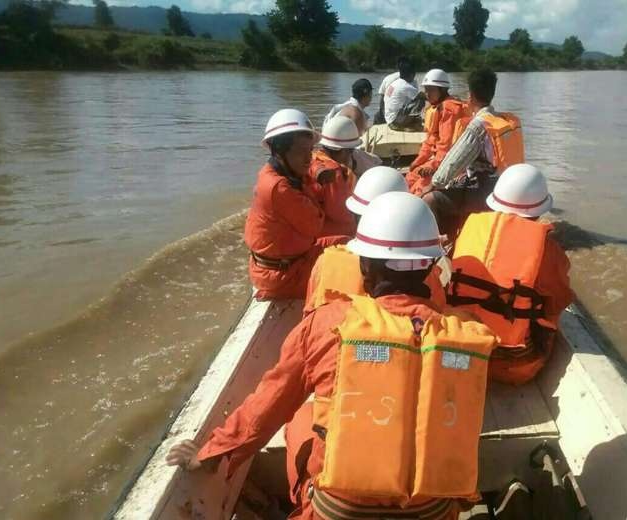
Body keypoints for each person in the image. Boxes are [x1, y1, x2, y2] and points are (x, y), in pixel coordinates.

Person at [167, 192, 497, 520]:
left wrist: (212, 453)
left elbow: (268, 405)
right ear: (429, 266)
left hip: (338, 513)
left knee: (301, 419)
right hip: (433, 513)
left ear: (365, 267)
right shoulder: (466, 332)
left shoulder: (327, 323)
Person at [447, 164, 574, 386]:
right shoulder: (547, 248)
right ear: (539, 210)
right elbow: (559, 300)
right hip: (509, 366)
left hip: (454, 354)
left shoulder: (469, 228)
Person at [304, 166, 447, 313]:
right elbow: (438, 311)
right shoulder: (426, 271)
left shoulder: (328, 261)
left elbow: (309, 315)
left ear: (356, 216)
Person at [245, 109, 348, 300]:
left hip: (291, 260)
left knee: (348, 241)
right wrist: (315, 182)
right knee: (350, 273)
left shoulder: (277, 172)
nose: (309, 158)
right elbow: (316, 224)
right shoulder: (280, 188)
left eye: (309, 150)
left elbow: (311, 165)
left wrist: (315, 171)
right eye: (301, 151)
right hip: (283, 276)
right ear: (280, 152)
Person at [421, 68, 525, 239]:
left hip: (489, 193)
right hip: (511, 188)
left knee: (430, 199)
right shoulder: (508, 121)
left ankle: (444, 244)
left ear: (471, 95)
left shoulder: (479, 126)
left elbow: (451, 164)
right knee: (458, 184)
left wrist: (431, 185)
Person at [405, 69, 468, 195]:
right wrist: (417, 162)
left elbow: (446, 148)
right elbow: (430, 141)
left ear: (442, 90)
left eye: (431, 90)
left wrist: (431, 166)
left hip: (450, 164)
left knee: (418, 188)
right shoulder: (438, 108)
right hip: (439, 160)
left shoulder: (449, 111)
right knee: (409, 178)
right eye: (426, 89)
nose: (427, 94)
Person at [308, 115, 361, 237]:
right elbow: (342, 216)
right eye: (351, 151)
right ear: (342, 150)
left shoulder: (312, 158)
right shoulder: (334, 172)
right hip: (330, 236)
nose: (351, 156)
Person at [383, 58, 426, 131]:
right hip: (395, 122)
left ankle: (409, 121)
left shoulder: (394, 83)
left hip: (389, 119)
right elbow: (425, 96)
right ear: (412, 74)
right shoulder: (405, 86)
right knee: (420, 100)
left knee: (412, 100)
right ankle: (405, 124)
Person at [375, 56, 417, 125]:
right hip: (396, 118)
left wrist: (382, 114)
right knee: (420, 100)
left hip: (387, 115)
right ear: (412, 74)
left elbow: (382, 97)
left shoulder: (391, 81)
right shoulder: (409, 84)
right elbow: (420, 97)